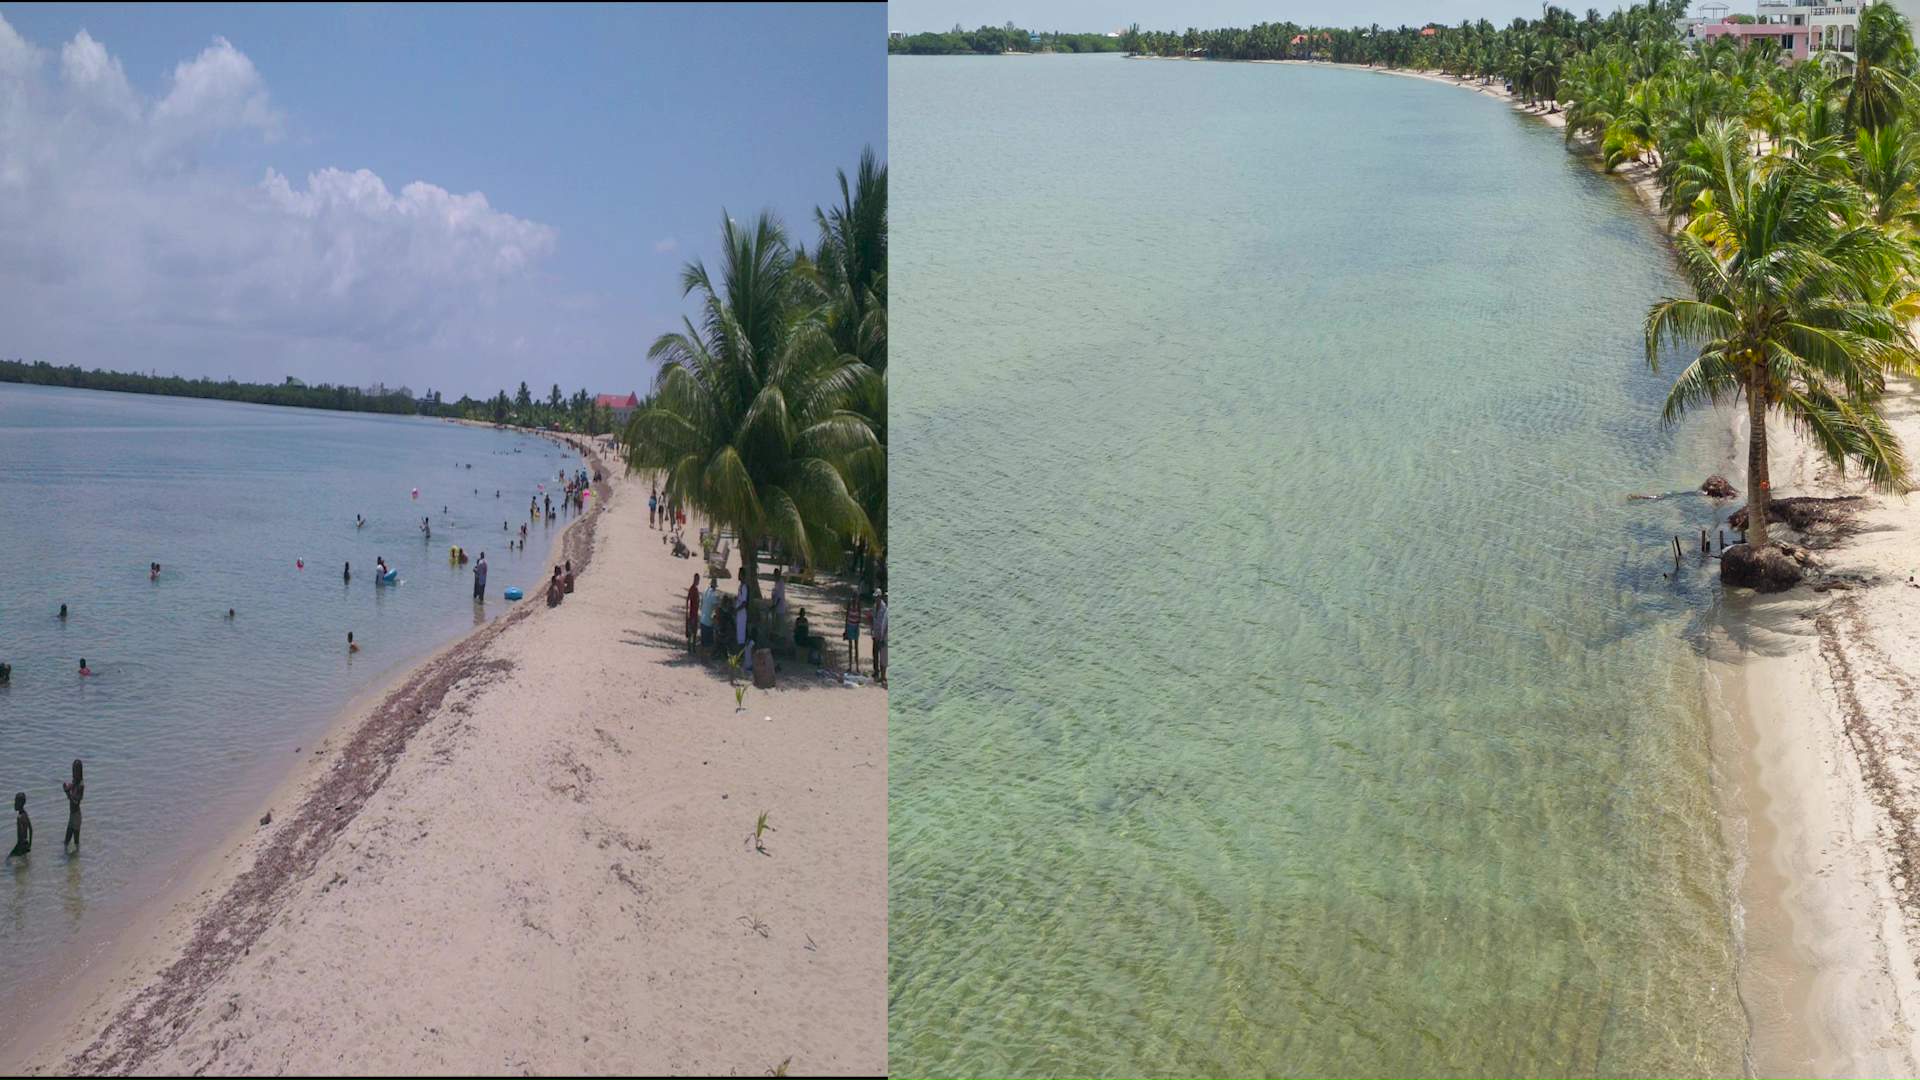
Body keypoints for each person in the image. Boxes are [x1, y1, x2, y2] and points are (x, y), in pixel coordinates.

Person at [61, 760, 82, 851]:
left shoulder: (81, 785)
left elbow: (76, 802)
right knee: (66, 841)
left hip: (76, 815)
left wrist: (67, 793)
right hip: (72, 815)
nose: (74, 772)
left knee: (76, 841)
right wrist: (66, 788)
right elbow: (69, 789)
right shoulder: (74, 782)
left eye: (76, 770)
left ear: (80, 772)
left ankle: (77, 859)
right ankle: (73, 864)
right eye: (73, 770)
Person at [871, 591, 888, 685]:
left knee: (882, 656)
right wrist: (872, 631)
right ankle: (876, 671)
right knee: (874, 653)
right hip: (875, 633)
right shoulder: (874, 606)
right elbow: (874, 620)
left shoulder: (884, 608)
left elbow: (884, 623)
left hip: (881, 636)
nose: (876, 599)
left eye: (877, 597)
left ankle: (882, 675)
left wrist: (881, 636)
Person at [699, 579, 720, 651]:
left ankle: (702, 659)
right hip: (708, 621)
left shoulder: (705, 591)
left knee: (703, 642)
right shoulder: (714, 594)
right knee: (709, 644)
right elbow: (716, 608)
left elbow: (701, 604)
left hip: (702, 619)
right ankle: (706, 660)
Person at [8, 793, 29, 859]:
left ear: (20, 804)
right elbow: (31, 829)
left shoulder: (19, 818)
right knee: (23, 860)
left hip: (20, 844)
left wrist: (19, 847)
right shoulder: (25, 814)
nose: (14, 804)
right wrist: (30, 845)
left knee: (8, 859)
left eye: (16, 802)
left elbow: (21, 835)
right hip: (26, 843)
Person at [685, 573, 701, 650]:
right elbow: (688, 600)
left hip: (695, 613)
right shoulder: (692, 589)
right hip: (692, 614)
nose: (698, 581)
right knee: (691, 631)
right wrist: (687, 613)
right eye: (697, 580)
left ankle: (693, 647)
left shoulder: (696, 589)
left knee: (694, 631)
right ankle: (690, 647)